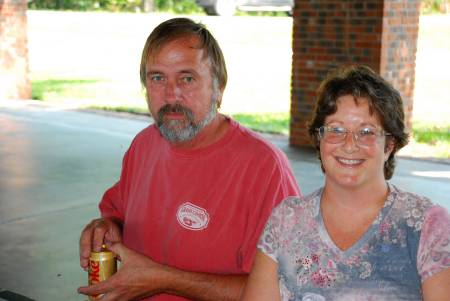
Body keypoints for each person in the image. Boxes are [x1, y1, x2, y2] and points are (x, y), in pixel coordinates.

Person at [77, 17, 300, 301]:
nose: (171, 94)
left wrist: (164, 280)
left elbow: (282, 291)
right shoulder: (144, 145)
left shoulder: (265, 168)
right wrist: (106, 225)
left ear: (219, 87)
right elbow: (117, 212)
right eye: (157, 78)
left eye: (187, 78)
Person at [241, 65, 450, 301]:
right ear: (320, 138)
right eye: (336, 129)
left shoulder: (427, 227)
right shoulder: (287, 221)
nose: (349, 144)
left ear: (389, 146)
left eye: (367, 132)